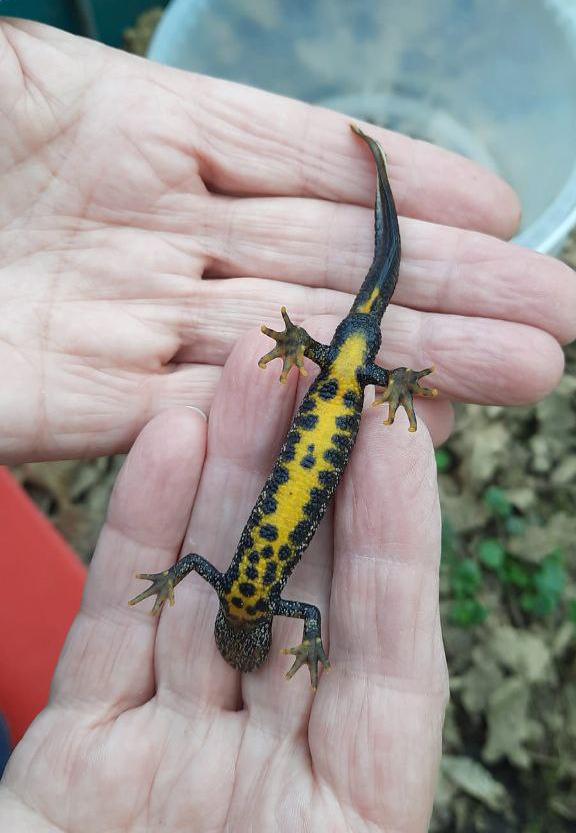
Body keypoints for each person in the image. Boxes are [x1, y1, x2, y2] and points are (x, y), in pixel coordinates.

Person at [0, 17, 574, 832]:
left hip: (336, 397)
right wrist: (171, 580)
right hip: (338, 397)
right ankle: (353, 319)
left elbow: (276, 599)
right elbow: (197, 561)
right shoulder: (230, 586)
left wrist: (281, 628)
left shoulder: (268, 602)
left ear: (251, 624)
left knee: (378, 285)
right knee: (374, 298)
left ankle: (369, 253)